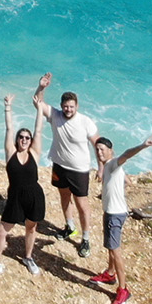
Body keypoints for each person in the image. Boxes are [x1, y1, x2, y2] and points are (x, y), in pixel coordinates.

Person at [31, 74, 98, 257]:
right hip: (60, 165)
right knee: (64, 196)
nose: (68, 109)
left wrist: (102, 166)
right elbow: (38, 102)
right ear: (61, 106)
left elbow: (97, 143)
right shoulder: (56, 116)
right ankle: (69, 226)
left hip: (79, 169)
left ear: (77, 106)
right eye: (66, 106)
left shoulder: (85, 122)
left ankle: (85, 238)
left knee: (81, 204)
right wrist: (41, 87)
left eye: (71, 106)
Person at [0, 93, 45, 277]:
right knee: (1, 232)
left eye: (27, 138)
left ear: (31, 141)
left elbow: (38, 130)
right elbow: (9, 128)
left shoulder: (35, 153)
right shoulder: (10, 153)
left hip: (34, 195)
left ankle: (28, 257)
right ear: (17, 140)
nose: (24, 139)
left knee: (31, 228)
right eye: (21, 137)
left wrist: (39, 109)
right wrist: (8, 107)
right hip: (15, 197)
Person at [87, 132, 152, 304]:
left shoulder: (114, 164)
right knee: (110, 246)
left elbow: (126, 155)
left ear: (111, 151)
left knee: (115, 251)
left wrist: (142, 146)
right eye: (97, 150)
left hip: (115, 214)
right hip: (111, 212)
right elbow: (126, 181)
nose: (100, 153)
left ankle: (123, 290)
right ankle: (110, 274)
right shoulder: (109, 167)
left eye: (102, 150)